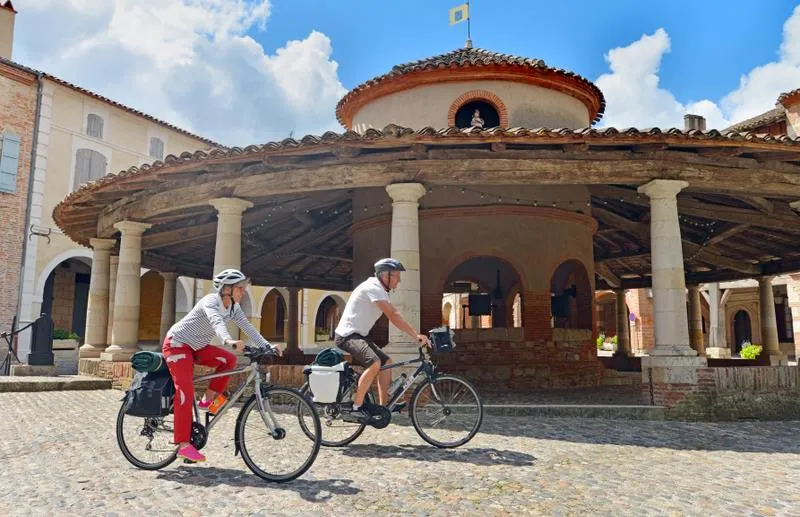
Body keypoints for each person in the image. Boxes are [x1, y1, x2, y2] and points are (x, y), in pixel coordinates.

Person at [162, 268, 279, 462]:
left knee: (229, 360)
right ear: (227, 289)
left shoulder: (233, 308)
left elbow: (248, 327)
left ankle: (207, 401)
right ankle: (183, 444)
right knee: (184, 390)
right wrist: (228, 339)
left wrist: (267, 346)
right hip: (177, 344)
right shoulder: (211, 301)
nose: (243, 292)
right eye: (240, 288)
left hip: (196, 347)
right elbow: (216, 321)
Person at [334, 258, 431, 423]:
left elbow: (393, 313)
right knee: (375, 363)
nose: (399, 280)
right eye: (396, 276)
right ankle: (356, 407)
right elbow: (393, 315)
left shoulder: (379, 290)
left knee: (387, 363)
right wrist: (416, 335)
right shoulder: (373, 287)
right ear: (385, 275)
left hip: (359, 335)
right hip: (347, 335)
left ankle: (382, 406)